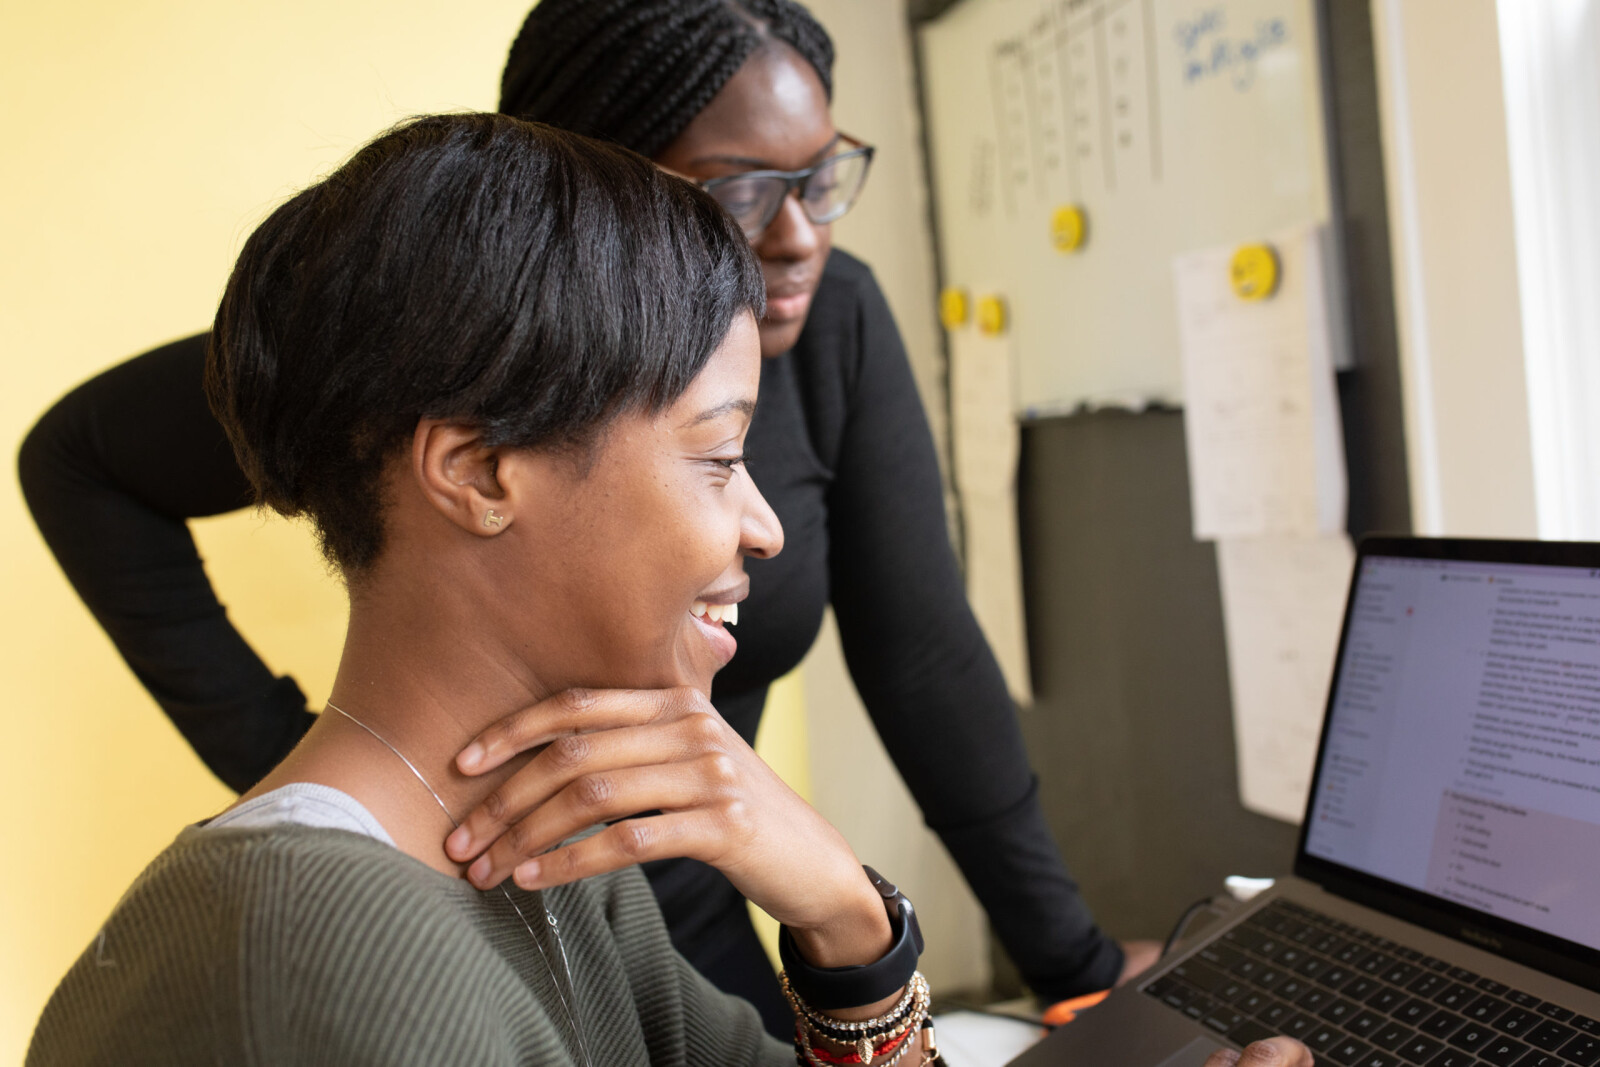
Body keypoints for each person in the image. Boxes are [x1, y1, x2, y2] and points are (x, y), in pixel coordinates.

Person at [26, 111, 1309, 1067]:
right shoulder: (306, 960)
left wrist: (843, 912)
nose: (759, 525)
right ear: (478, 470)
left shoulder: (548, 849)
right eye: (714, 455)